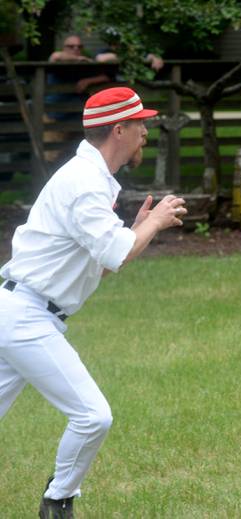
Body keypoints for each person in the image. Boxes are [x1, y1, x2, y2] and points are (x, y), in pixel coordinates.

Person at [0, 87, 187, 517]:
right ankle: (58, 500)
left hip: (21, 311)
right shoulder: (85, 184)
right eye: (140, 123)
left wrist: (134, 229)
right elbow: (117, 253)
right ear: (118, 130)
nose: (145, 131)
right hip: (27, 318)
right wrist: (153, 224)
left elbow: (102, 262)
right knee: (92, 416)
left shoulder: (92, 179)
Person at [45, 35, 111, 164]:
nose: (76, 49)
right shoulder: (59, 59)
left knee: (77, 157)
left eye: (79, 46)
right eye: (71, 46)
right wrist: (79, 59)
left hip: (77, 119)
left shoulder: (84, 65)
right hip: (54, 118)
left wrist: (88, 81)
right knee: (50, 158)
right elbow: (55, 56)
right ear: (63, 48)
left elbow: (105, 77)